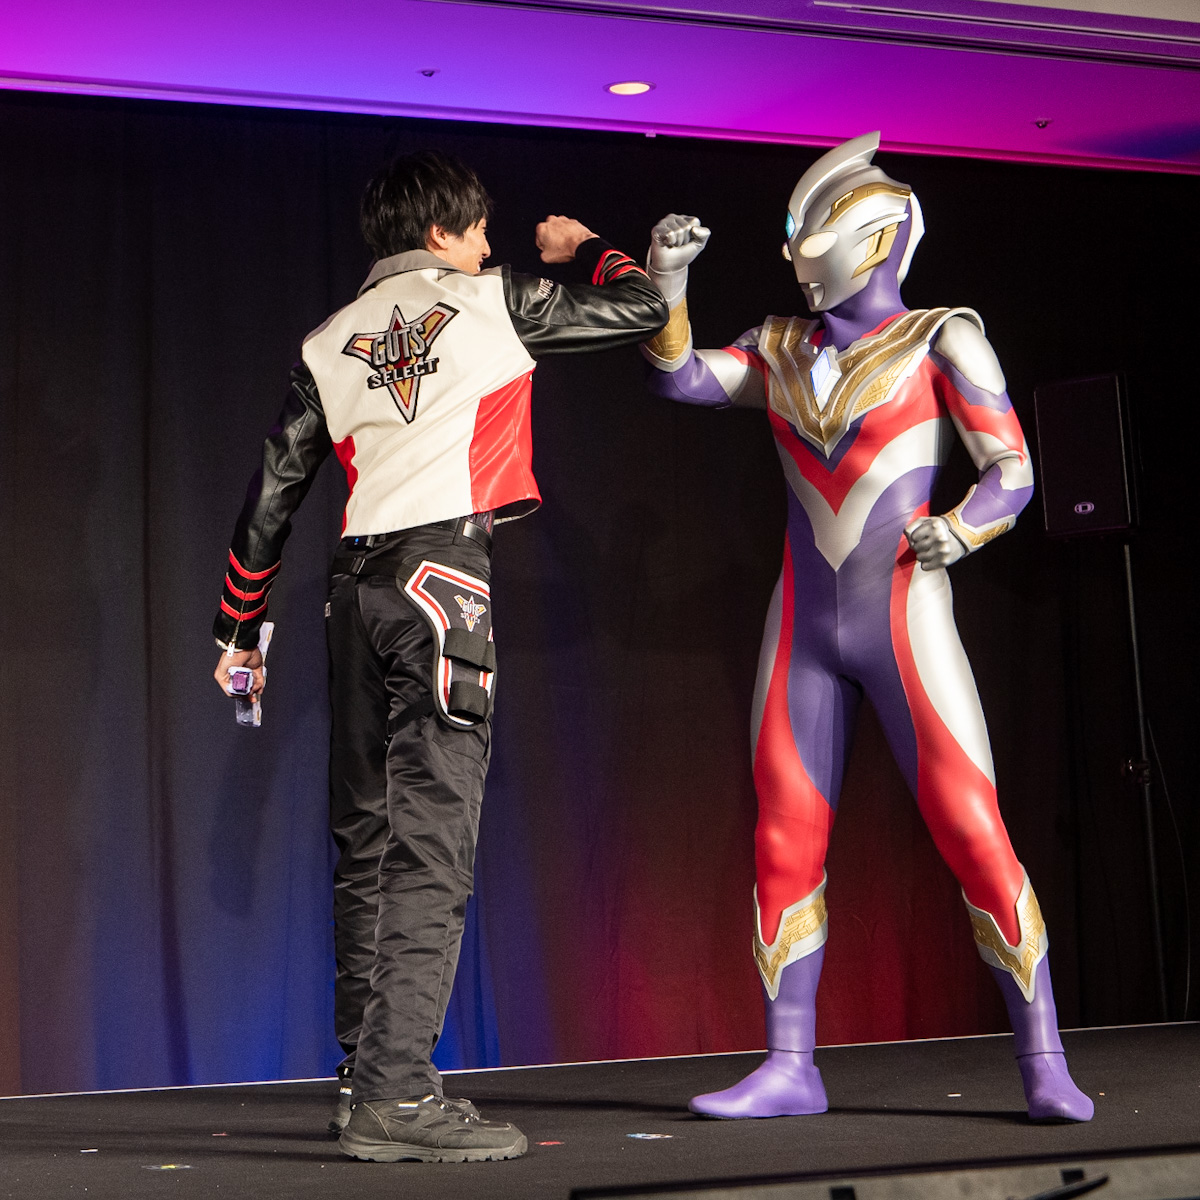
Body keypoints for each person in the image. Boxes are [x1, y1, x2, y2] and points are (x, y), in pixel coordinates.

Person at [212, 150, 667, 1163]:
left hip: (351, 595)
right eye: (480, 230)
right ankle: (398, 1096)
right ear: (441, 233)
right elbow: (644, 310)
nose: (490, 244)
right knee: (431, 842)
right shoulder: (493, 299)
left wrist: (239, 630)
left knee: (367, 841)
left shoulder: (326, 340)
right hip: (441, 584)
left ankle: (363, 1081)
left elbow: (272, 493)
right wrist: (588, 247)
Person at [641, 132, 1093, 1123]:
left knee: (971, 826)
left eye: (815, 242)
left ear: (879, 238)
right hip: (804, 625)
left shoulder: (942, 339)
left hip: (904, 615)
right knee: (785, 834)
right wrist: (667, 282)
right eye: (793, 244)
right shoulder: (782, 347)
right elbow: (680, 379)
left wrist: (961, 530)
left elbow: (1012, 468)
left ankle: (1044, 1059)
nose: (798, 262)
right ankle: (789, 1064)